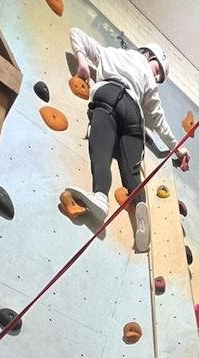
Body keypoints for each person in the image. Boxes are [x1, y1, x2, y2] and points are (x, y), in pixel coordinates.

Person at [67, 28, 187, 251]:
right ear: (147, 55)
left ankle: (101, 196)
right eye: (158, 70)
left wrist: (82, 62)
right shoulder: (149, 85)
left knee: (101, 150)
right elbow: (159, 122)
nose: (157, 77)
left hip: (108, 97)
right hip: (133, 113)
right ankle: (141, 211)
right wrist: (178, 149)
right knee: (131, 171)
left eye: (159, 77)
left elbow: (76, 33)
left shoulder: (111, 54)